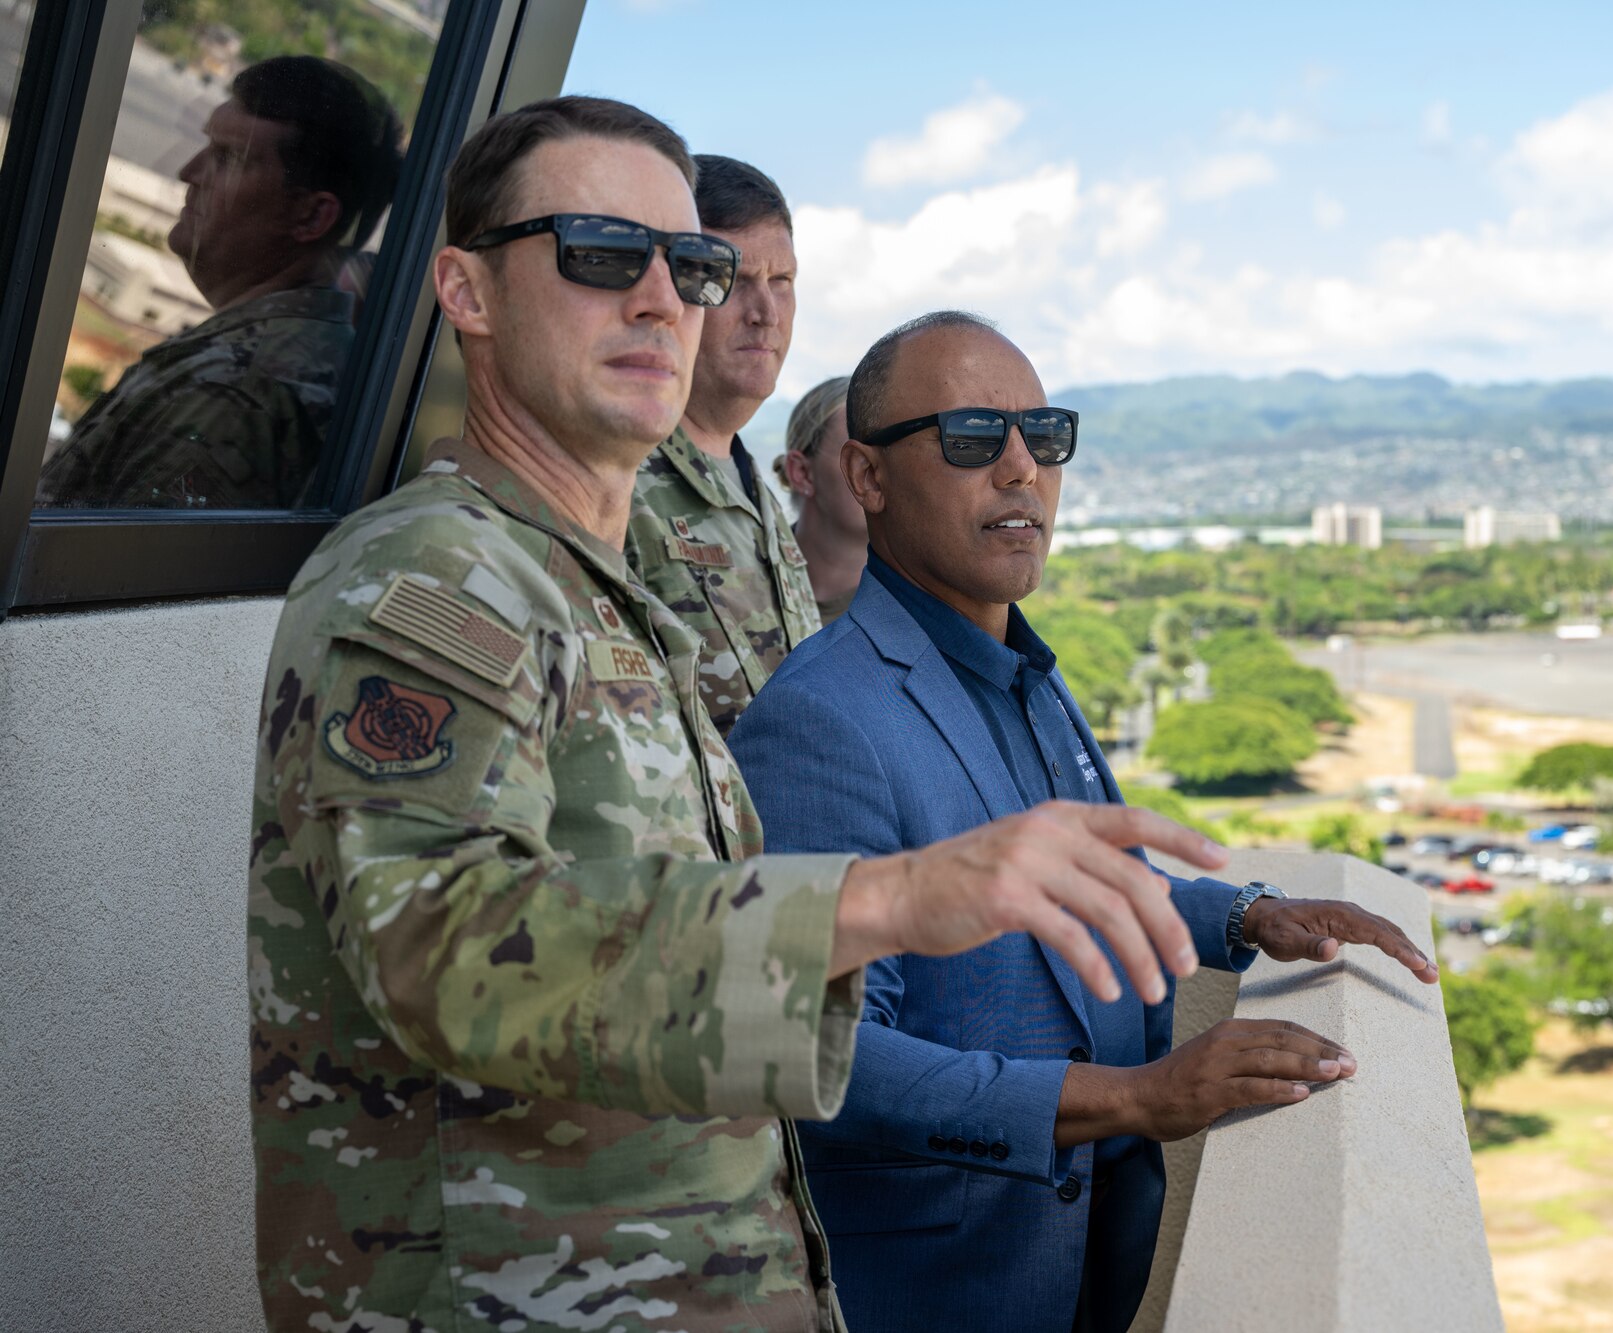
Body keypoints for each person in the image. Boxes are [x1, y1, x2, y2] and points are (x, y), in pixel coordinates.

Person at [248, 102, 1228, 1333]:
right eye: (601, 254)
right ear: (467, 290)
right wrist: (888, 899)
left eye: (691, 265)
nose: (666, 300)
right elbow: (432, 941)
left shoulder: (613, 604)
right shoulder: (434, 582)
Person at [728, 311, 1440, 1333]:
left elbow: (1070, 890)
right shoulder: (822, 719)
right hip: (938, 1294)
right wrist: (1136, 1096)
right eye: (972, 438)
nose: (1020, 469)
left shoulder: (1022, 672)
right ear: (867, 476)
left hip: (1085, 1270)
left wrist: (1244, 918)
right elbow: (829, 1061)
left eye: (1044, 435)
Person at [39, 55, 403, 509]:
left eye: (228, 158)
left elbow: (98, 575)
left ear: (311, 215)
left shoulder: (234, 393)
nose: (188, 174)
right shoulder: (289, 355)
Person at [626, 154, 817, 736]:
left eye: (781, 282)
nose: (765, 314)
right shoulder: (620, 483)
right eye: (728, 280)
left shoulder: (754, 487)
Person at [773, 376, 869, 622]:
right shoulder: (738, 585)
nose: (885, 471)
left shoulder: (923, 606)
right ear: (802, 473)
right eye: (858, 457)